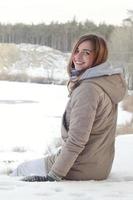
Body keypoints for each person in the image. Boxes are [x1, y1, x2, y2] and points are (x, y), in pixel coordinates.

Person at [11, 34, 126, 182]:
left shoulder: (88, 90)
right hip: (99, 165)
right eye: (77, 50)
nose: (77, 56)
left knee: (21, 169)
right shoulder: (105, 83)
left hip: (79, 168)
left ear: (99, 57)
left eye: (87, 52)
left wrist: (53, 176)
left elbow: (77, 140)